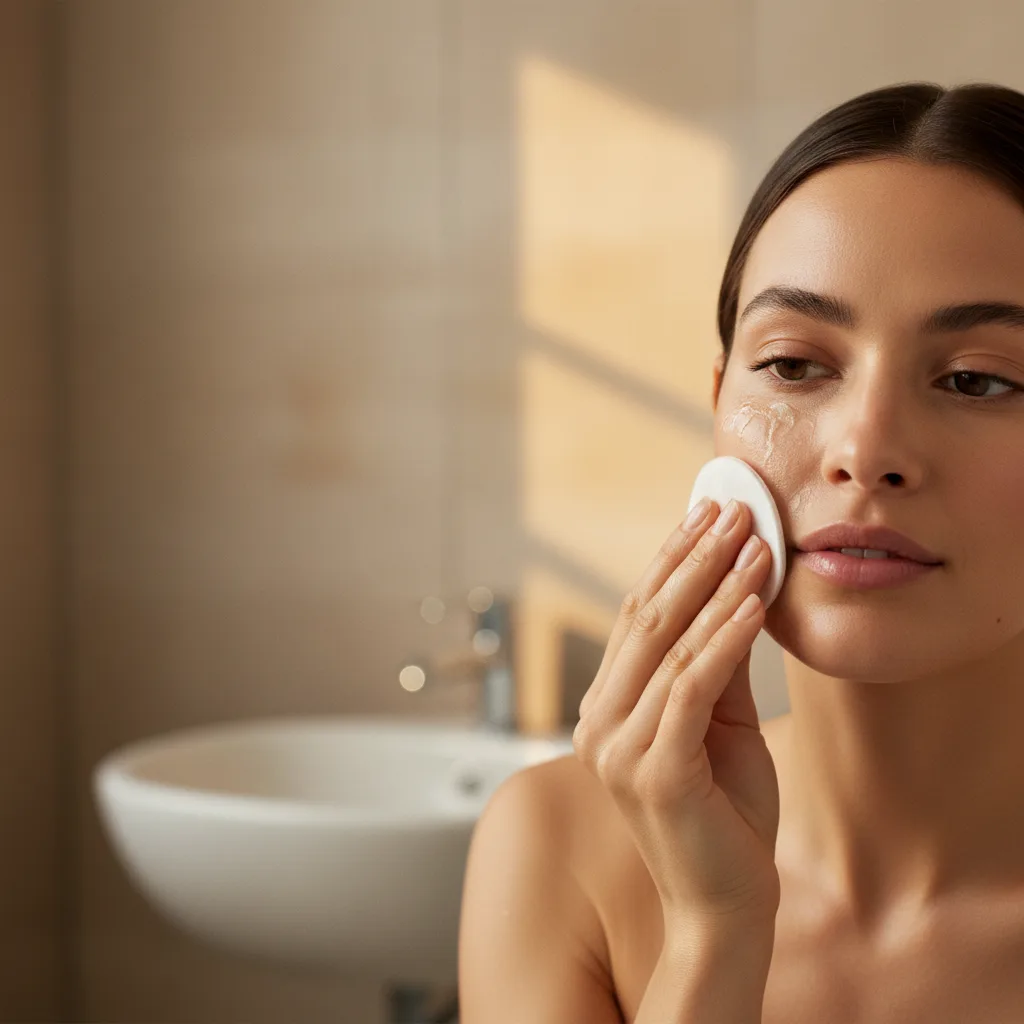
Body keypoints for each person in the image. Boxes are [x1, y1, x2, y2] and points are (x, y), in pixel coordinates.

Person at [457, 80, 1024, 1023]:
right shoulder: (555, 848)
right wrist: (714, 932)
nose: (865, 450)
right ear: (720, 403)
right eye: (795, 366)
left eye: (976, 380)